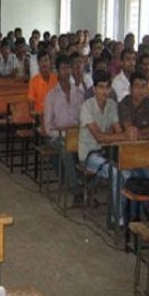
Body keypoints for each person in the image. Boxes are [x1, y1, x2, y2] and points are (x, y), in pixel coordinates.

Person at [78, 70, 137, 223]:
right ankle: (118, 219)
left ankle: (122, 212)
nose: (105, 91)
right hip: (89, 155)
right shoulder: (87, 106)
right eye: (101, 87)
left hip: (106, 152)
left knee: (128, 173)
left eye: (107, 87)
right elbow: (99, 136)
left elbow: (117, 130)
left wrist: (127, 134)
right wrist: (123, 136)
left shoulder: (111, 105)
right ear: (94, 89)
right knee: (116, 173)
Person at [44, 55, 84, 204]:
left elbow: (83, 120)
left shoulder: (79, 94)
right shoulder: (51, 96)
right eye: (63, 68)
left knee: (93, 150)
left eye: (69, 68)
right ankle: (75, 190)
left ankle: (82, 183)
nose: (67, 72)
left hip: (76, 135)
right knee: (66, 149)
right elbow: (48, 127)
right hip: (57, 136)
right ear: (57, 71)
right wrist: (62, 132)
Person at [118, 72, 149, 139]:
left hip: (146, 144)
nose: (140, 90)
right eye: (137, 86)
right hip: (126, 145)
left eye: (143, 86)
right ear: (130, 89)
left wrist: (142, 136)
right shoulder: (124, 104)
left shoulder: (148, 103)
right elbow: (131, 133)